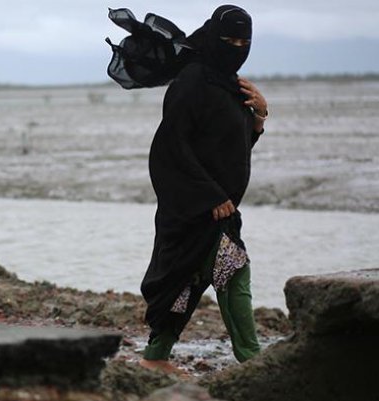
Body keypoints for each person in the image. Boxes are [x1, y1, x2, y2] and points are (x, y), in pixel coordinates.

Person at [107, 5, 268, 373]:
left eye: (245, 41)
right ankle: (254, 361)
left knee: (185, 285)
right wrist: (210, 196)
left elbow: (230, 150)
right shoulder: (192, 81)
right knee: (234, 272)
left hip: (220, 207)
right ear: (213, 37)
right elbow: (170, 148)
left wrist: (259, 116)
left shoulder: (231, 85)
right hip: (194, 208)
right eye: (230, 40)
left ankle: (155, 357)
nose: (238, 47)